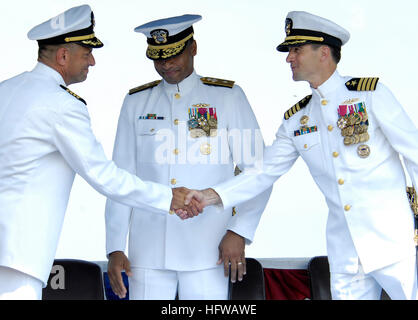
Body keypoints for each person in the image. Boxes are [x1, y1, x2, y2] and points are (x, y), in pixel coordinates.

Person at [185, 11, 418, 300]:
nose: (289, 58)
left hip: (392, 241)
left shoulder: (369, 96)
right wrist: (209, 196)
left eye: (296, 49)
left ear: (323, 52)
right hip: (345, 251)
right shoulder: (297, 120)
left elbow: (414, 154)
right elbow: (262, 171)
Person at [0, 5, 199, 300]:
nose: (91, 61)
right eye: (86, 53)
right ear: (63, 56)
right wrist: (168, 197)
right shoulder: (62, 104)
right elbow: (103, 176)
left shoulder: (6, 90)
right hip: (16, 259)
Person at [105, 14, 271, 300]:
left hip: (208, 247)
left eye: (173, 55)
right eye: (158, 58)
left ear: (193, 48)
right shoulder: (135, 102)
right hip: (148, 249)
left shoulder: (228, 97)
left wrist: (239, 231)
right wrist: (115, 247)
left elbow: (258, 171)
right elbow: (121, 179)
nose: (166, 64)